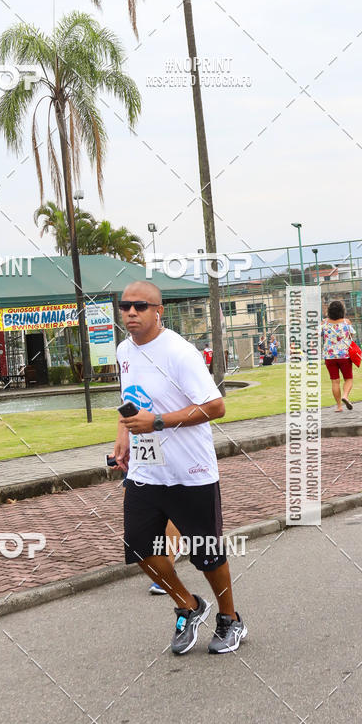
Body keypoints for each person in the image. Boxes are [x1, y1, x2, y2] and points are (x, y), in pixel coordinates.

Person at [111, 281, 247, 655]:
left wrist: (158, 422)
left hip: (191, 472)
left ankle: (230, 619)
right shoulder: (124, 350)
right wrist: (123, 435)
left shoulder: (179, 353)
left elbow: (215, 407)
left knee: (207, 554)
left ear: (159, 311)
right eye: (125, 306)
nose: (131, 312)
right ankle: (188, 604)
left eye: (140, 306)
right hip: (145, 471)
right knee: (140, 549)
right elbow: (130, 400)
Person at [321, 300, 356, 411]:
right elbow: (351, 336)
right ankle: (345, 396)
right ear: (342, 310)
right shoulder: (347, 322)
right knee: (348, 378)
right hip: (344, 355)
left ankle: (339, 406)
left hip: (329, 356)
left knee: (335, 381)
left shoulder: (324, 323)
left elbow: (318, 334)